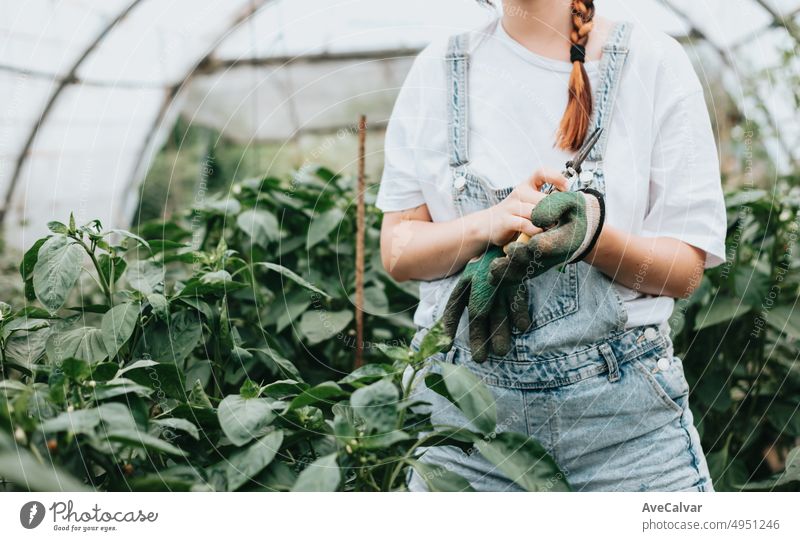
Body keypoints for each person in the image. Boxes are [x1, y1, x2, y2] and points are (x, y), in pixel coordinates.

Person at [377, 0, 726, 491]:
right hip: (466, 430)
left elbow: (684, 270)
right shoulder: (437, 70)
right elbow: (397, 249)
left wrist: (590, 238)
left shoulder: (654, 63)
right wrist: (487, 224)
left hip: (625, 436)